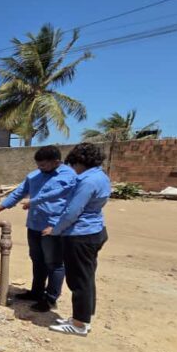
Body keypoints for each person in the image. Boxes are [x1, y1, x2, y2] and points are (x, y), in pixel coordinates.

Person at [43, 143, 111, 337]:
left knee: (78, 280)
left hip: (81, 235)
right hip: (95, 231)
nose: (73, 169)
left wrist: (55, 230)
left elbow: (72, 212)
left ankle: (79, 324)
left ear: (80, 162)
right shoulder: (101, 176)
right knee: (86, 277)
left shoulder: (87, 182)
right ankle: (82, 318)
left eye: (74, 165)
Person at [0, 145, 77, 312]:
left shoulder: (69, 177)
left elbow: (67, 201)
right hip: (34, 225)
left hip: (53, 226)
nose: (40, 168)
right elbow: (19, 192)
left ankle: (50, 299)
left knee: (54, 263)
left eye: (43, 165)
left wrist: (57, 224)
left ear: (56, 162)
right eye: (38, 165)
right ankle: (36, 292)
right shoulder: (34, 176)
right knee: (37, 260)